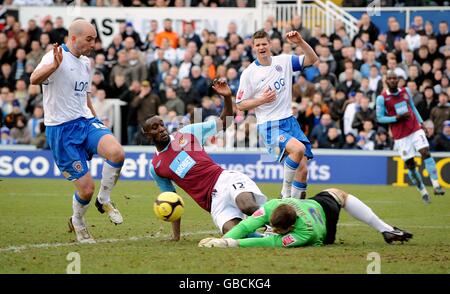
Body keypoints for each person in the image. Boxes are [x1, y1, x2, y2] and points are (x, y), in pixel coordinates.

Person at [30, 20, 125, 244]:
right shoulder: (54, 56)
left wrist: (97, 121)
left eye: (94, 39)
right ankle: (78, 222)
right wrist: (53, 66)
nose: (93, 44)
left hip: (85, 121)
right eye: (89, 39)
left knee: (117, 153)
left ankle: (104, 199)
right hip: (61, 130)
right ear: (73, 38)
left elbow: (85, 95)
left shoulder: (85, 62)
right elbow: (33, 79)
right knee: (85, 190)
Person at [143, 79, 266, 240]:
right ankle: (268, 239)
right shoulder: (157, 167)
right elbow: (171, 199)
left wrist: (227, 98)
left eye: (161, 125)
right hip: (213, 202)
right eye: (155, 128)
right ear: (148, 135)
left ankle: (284, 220)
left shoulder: (187, 134)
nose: (161, 129)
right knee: (234, 234)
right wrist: (176, 236)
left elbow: (225, 122)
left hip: (224, 180)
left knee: (248, 206)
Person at [236, 30, 319, 200]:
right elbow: (240, 104)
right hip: (269, 125)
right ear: (253, 47)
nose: (261, 47)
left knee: (302, 170)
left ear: (270, 44)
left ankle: (292, 211)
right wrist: (261, 100)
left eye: (264, 44)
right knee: (299, 149)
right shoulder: (249, 73)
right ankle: (285, 193)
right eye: (258, 45)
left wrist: (301, 42)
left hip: (289, 121)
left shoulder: (284, 60)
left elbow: (312, 59)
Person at [198, 188, 413, 248]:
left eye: (278, 229)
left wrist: (230, 244)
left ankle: (385, 229)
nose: (273, 230)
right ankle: (385, 228)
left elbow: (269, 241)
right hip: (314, 204)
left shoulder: (305, 233)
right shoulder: (273, 205)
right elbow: (248, 223)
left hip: (323, 226)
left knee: (339, 196)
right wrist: (222, 239)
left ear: (290, 227)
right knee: (338, 193)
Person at [376, 70, 445, 204]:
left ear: (398, 80)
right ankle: (423, 191)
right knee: (411, 165)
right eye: (389, 79)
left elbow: (412, 107)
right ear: (386, 81)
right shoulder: (382, 98)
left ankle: (436, 185)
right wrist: (397, 118)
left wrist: (421, 123)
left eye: (394, 78)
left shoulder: (405, 91)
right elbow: (380, 118)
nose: (392, 80)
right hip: (400, 136)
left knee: (425, 152)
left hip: (414, 129)